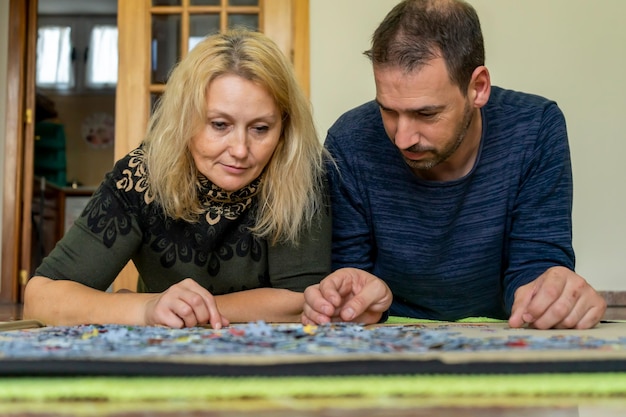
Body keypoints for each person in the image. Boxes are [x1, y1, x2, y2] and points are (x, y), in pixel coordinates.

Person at [301, 0, 606, 330]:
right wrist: (353, 297)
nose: (402, 138)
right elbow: (352, 275)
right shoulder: (350, 140)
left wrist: (549, 289)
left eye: (426, 114)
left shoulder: (536, 128)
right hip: (388, 332)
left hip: (504, 335)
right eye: (388, 110)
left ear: (478, 88)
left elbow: (536, 264)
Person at [24, 29, 331, 329]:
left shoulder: (299, 171)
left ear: (284, 128)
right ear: (185, 119)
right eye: (220, 124)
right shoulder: (140, 176)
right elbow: (41, 298)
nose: (240, 150)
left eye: (260, 128)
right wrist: (146, 309)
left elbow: (303, 300)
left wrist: (178, 309)